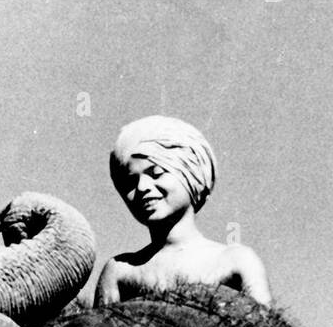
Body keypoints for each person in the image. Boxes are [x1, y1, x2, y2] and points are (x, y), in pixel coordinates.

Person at [95, 115, 271, 307]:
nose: (143, 187)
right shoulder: (121, 271)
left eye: (156, 173)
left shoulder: (236, 261)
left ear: (191, 173)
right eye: (130, 182)